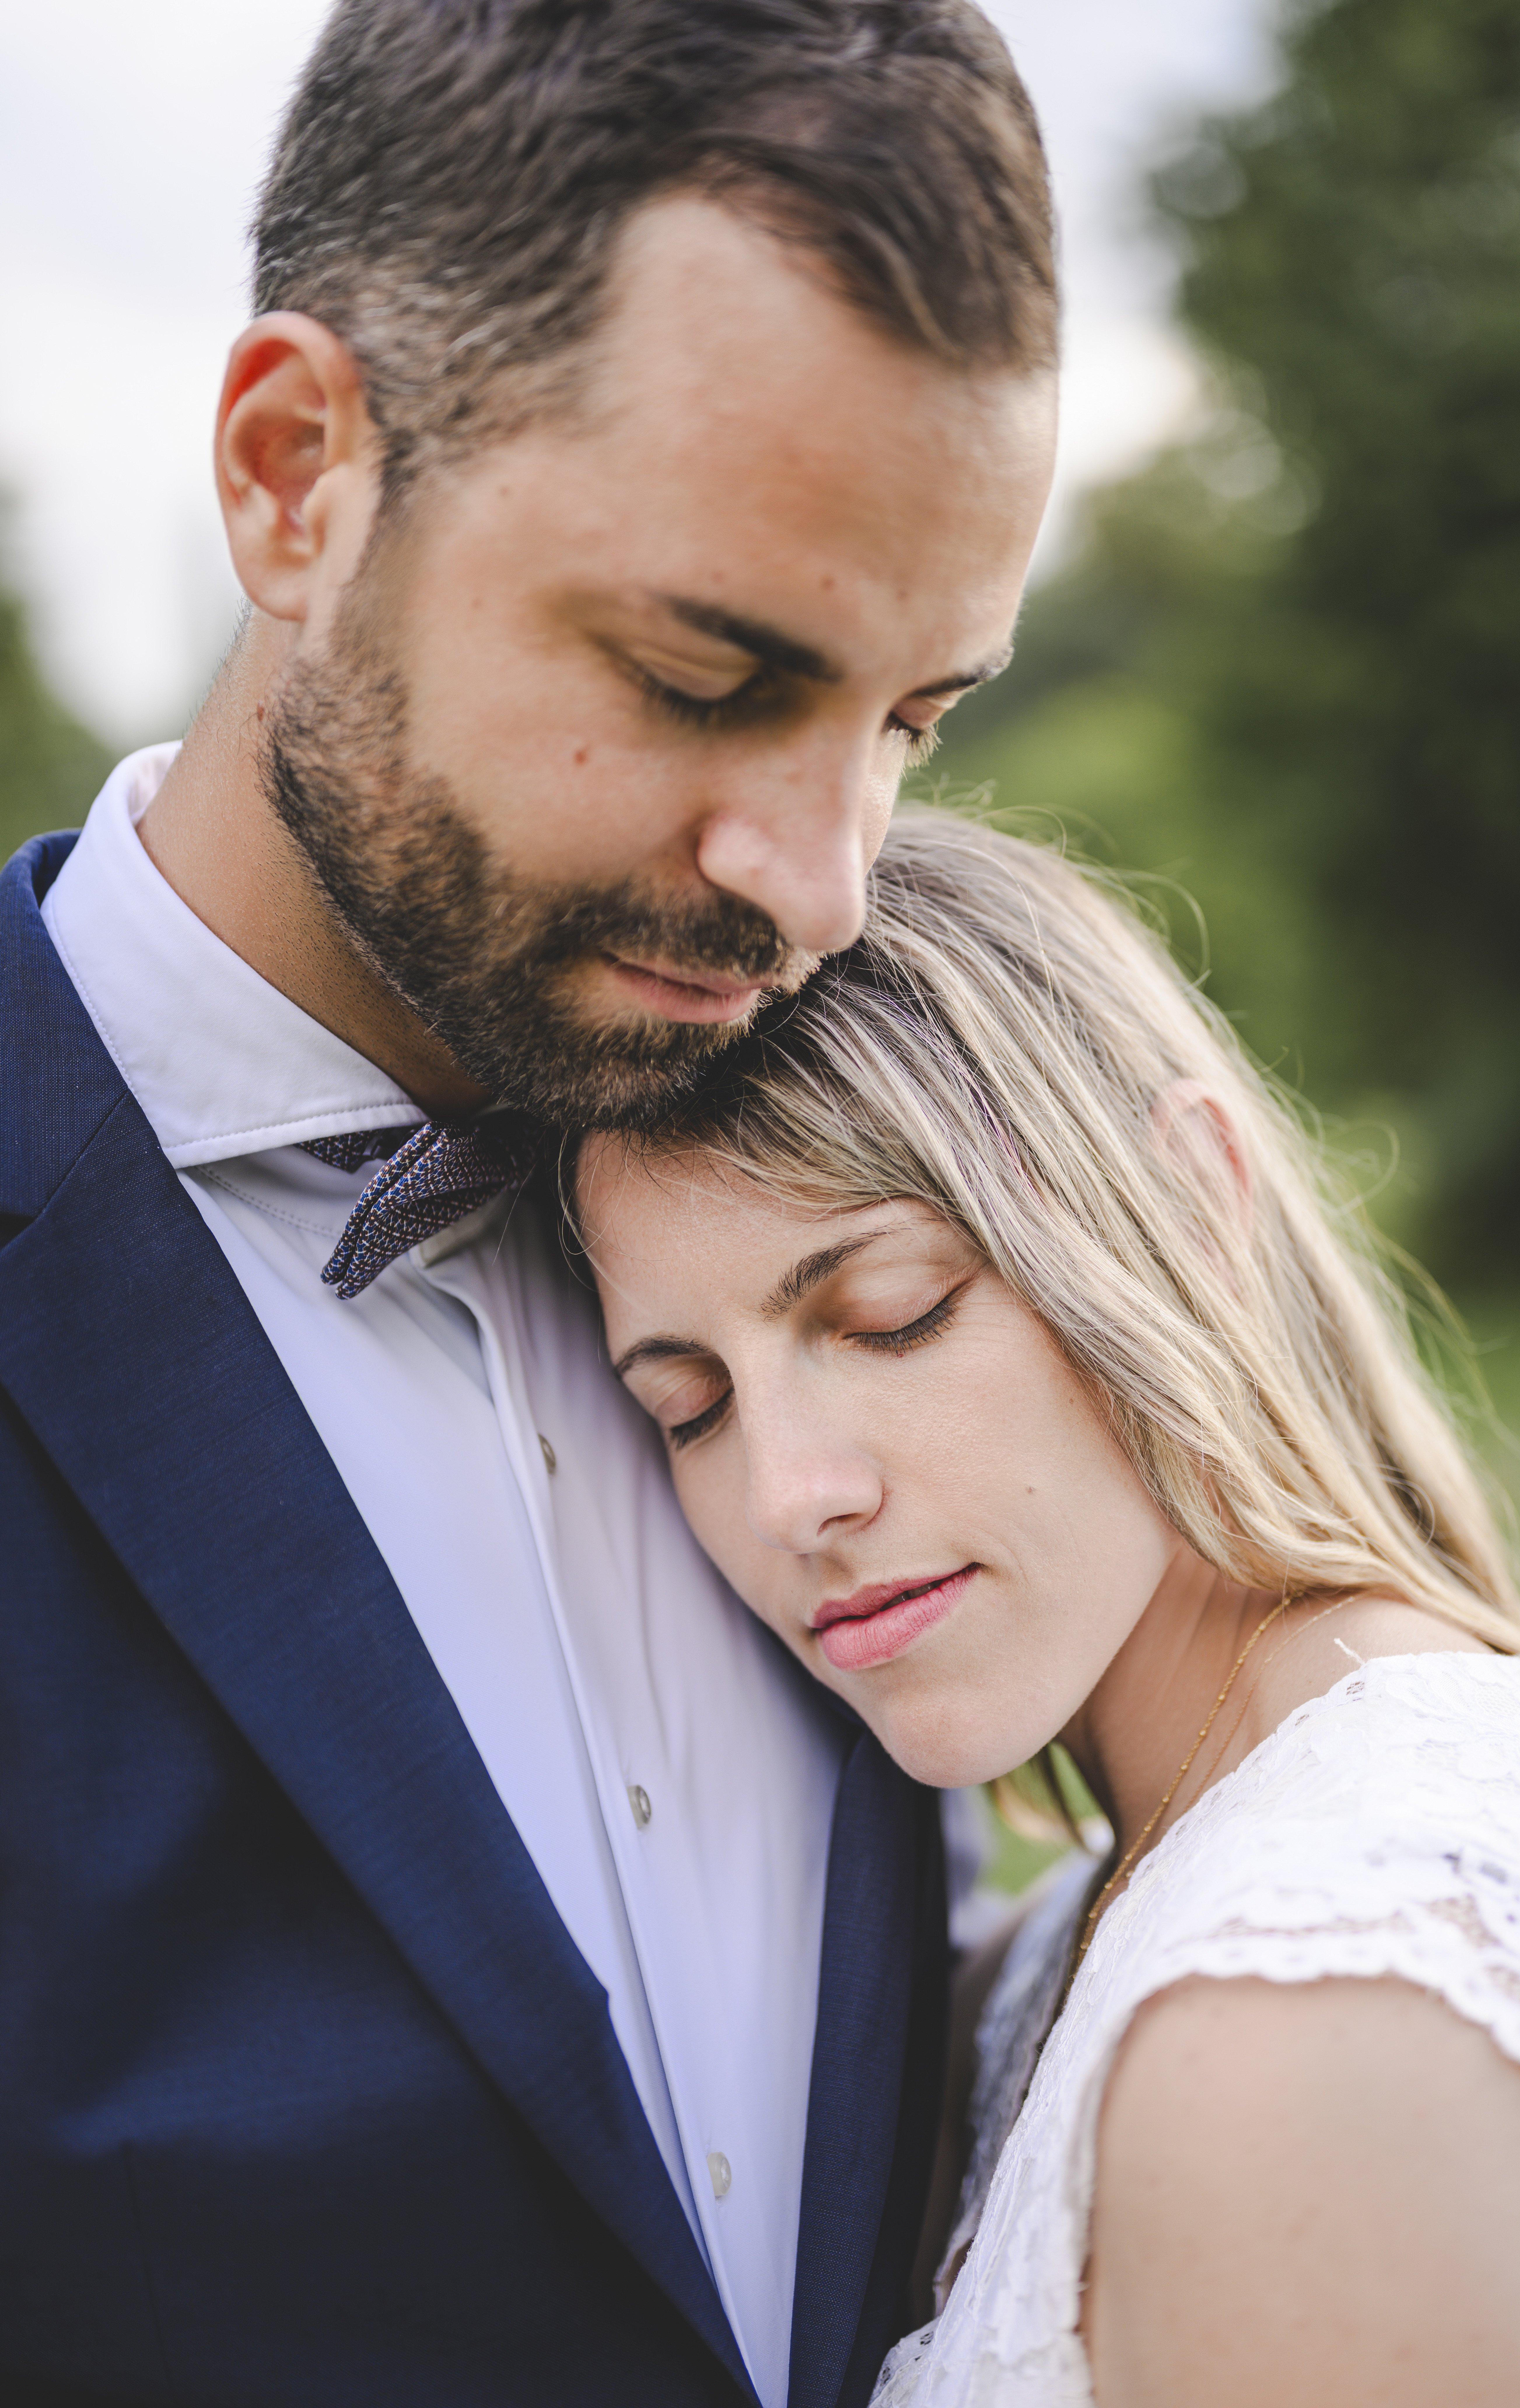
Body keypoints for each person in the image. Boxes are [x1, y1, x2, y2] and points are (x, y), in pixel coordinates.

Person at [0, 6, 1059, 2402]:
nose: (823, 888)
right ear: (297, 478)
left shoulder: (860, 1247)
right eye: (707, 674)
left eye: (912, 720)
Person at [579, 809, 1520, 2408]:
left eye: (890, 1314)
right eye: (690, 1406)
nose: (791, 1494)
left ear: (1191, 1201)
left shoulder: (1326, 2016)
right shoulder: (1115, 1904)